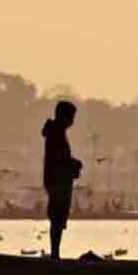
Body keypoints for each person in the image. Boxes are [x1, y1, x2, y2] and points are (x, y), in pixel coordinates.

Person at [42, 100, 83, 259]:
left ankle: (55, 253)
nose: (73, 120)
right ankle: (55, 254)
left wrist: (73, 164)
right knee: (57, 219)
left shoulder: (56, 132)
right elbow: (59, 160)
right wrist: (75, 164)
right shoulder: (56, 133)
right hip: (57, 181)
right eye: (71, 117)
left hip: (57, 181)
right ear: (63, 116)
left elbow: (60, 158)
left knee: (58, 219)